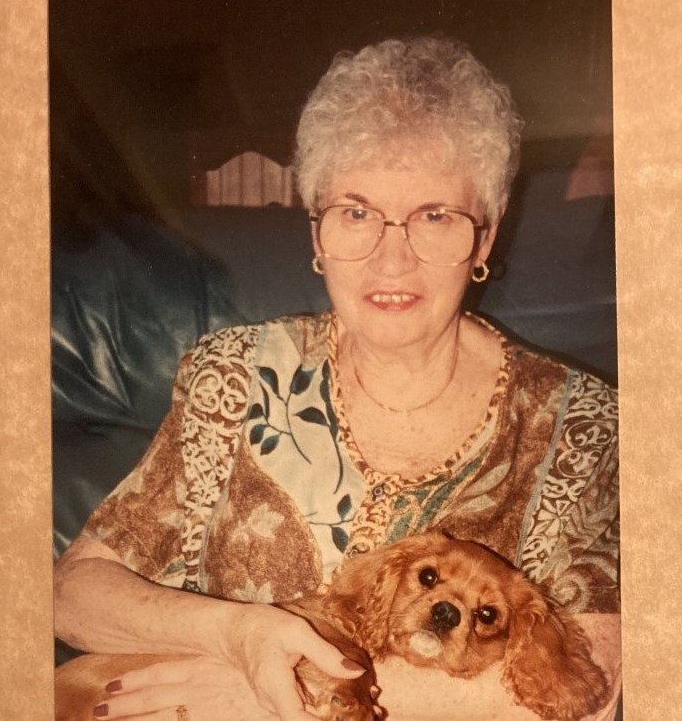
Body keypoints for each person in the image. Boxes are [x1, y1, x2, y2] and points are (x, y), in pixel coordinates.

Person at [54, 35, 621, 721]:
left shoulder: (582, 426)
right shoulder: (232, 373)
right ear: (316, 231)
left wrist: (283, 695)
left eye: (434, 216)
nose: (392, 259)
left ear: (485, 234)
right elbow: (74, 594)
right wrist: (239, 638)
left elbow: (592, 688)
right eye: (356, 213)